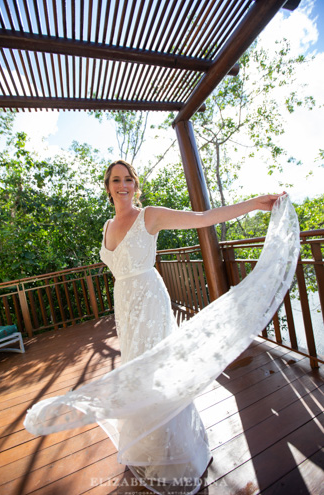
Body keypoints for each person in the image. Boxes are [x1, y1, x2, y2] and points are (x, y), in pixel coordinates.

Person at [99, 159, 286, 494]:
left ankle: (179, 452)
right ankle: (147, 446)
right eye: (116, 180)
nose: (123, 185)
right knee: (138, 372)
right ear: (107, 185)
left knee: (160, 373)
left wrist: (255, 203)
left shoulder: (150, 215)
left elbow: (202, 219)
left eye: (128, 179)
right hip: (125, 306)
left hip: (150, 300)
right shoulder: (107, 225)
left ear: (135, 184)